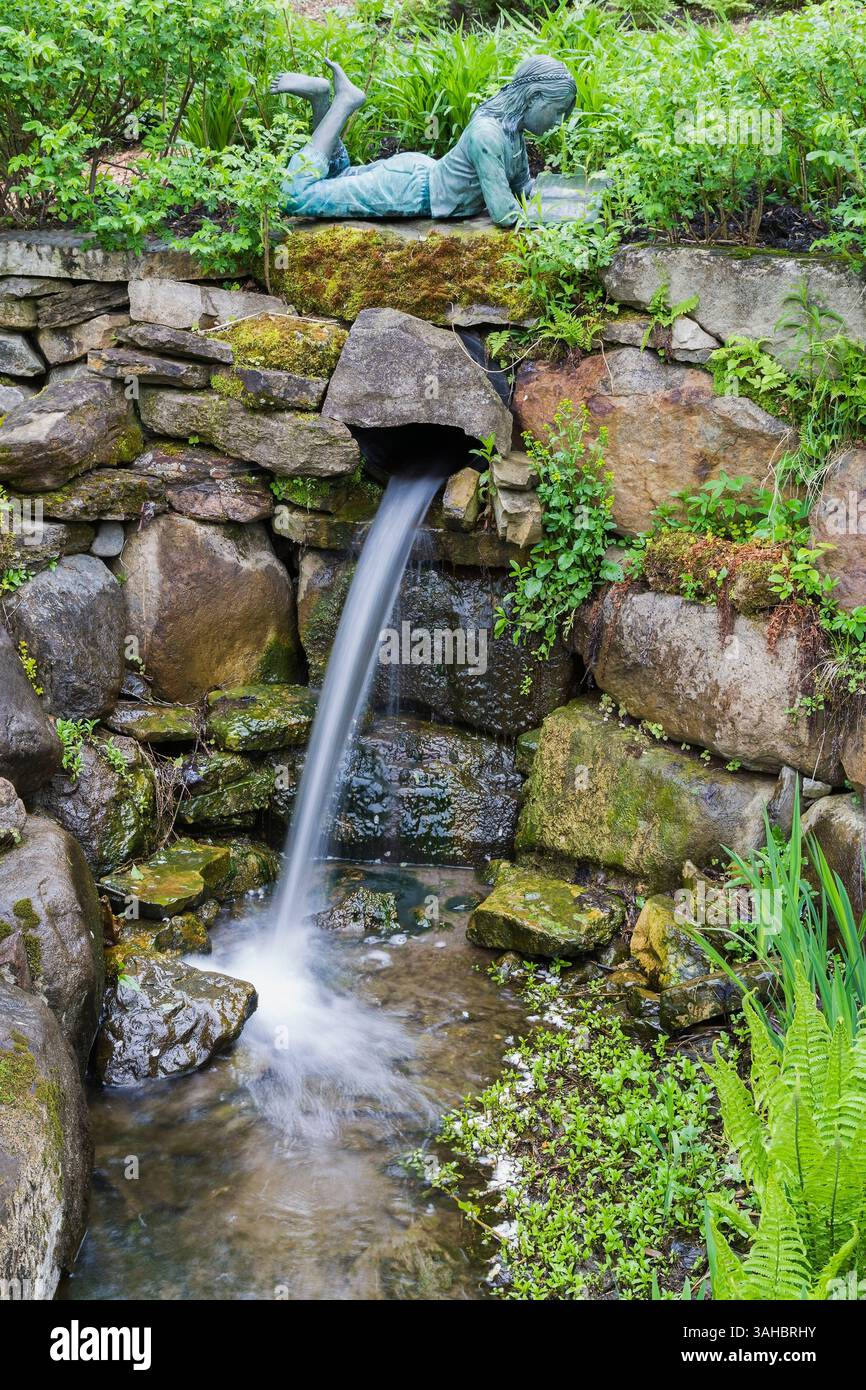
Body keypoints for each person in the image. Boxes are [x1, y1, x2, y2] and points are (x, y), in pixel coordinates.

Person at [273, 55, 577, 227]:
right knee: (295, 195)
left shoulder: (512, 134)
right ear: (534, 98)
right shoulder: (489, 135)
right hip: (406, 190)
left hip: (418, 175)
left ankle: (321, 101)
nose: (559, 122)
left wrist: (575, 195)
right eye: (557, 111)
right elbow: (505, 213)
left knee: (336, 177)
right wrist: (567, 219)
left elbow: (523, 189)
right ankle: (343, 102)